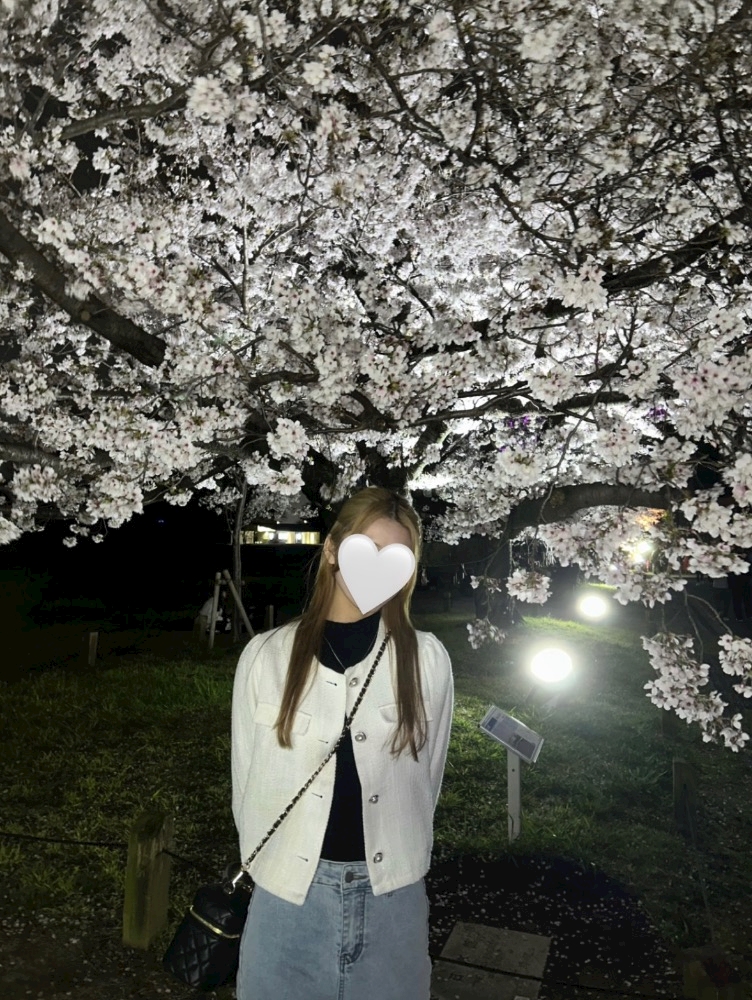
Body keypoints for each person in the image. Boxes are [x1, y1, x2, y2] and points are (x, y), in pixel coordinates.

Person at [231, 487, 454, 1000]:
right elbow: (246, 782)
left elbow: (429, 777)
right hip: (286, 897)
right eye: (366, 548)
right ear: (332, 549)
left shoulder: (425, 660)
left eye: (396, 557)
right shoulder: (266, 657)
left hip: (392, 900)